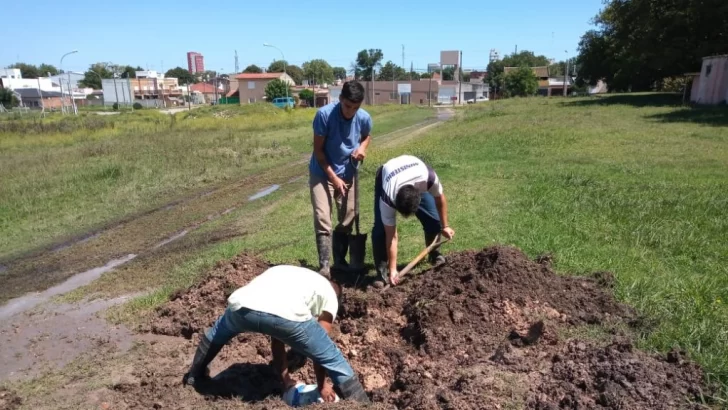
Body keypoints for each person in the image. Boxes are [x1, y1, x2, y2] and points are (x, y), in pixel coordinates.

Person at [183, 265, 370, 403]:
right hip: (285, 317)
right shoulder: (330, 295)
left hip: (241, 307)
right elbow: (320, 348)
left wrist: (285, 379)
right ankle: (362, 404)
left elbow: (277, 338)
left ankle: (194, 375)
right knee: (333, 358)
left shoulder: (290, 273)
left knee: (217, 333)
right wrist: (321, 385)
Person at [309, 80, 372, 277]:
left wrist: (362, 148)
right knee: (323, 216)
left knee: (348, 216)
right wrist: (333, 178)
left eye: (355, 107)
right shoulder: (324, 116)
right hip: (322, 171)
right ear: (341, 99)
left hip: (348, 171)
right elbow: (318, 152)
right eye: (347, 106)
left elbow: (366, 136)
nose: (350, 111)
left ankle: (340, 262)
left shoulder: (363, 118)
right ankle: (325, 266)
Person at [372, 155, 455, 285]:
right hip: (385, 175)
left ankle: (434, 254)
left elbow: (440, 199)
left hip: (414, 172)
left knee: (433, 220)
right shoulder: (388, 197)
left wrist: (445, 226)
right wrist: (393, 270)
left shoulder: (429, 178)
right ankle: (381, 273)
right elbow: (392, 236)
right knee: (380, 230)